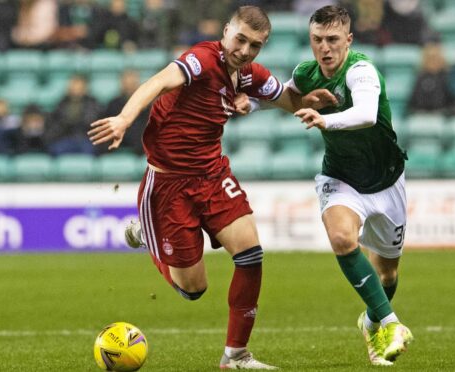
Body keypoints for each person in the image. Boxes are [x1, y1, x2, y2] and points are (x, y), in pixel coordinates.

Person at [87, 6, 333, 369]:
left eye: (255, 46)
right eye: (240, 40)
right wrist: (125, 117)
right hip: (168, 185)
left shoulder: (247, 74)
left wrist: (307, 101)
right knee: (193, 290)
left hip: (213, 176)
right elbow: (159, 81)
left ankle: (236, 355)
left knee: (251, 254)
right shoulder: (201, 59)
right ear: (226, 32)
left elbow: (284, 98)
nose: (245, 50)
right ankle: (146, 233)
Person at [237, 5, 410, 367]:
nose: (324, 47)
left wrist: (325, 121)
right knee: (343, 239)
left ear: (349, 40)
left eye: (332, 39)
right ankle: (392, 324)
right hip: (341, 177)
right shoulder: (307, 72)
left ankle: (372, 320)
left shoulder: (361, 70)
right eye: (317, 40)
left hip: (387, 180)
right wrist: (248, 104)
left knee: (388, 274)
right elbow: (285, 96)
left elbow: (365, 114)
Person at [406, 41, 454, 115]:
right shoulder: (420, 78)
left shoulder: (447, 78)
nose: (433, 61)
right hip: (421, 117)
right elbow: (412, 104)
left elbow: (453, 103)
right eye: (430, 58)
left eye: (436, 58)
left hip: (441, 116)